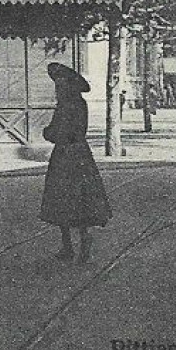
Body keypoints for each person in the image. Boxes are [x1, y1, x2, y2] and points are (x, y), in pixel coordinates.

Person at [39, 62, 113, 263]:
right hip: (81, 155)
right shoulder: (80, 104)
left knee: (64, 200)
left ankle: (70, 247)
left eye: (60, 86)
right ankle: (78, 244)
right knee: (79, 201)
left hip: (65, 155)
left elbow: (59, 132)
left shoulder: (66, 106)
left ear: (67, 87)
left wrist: (48, 133)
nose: (57, 90)